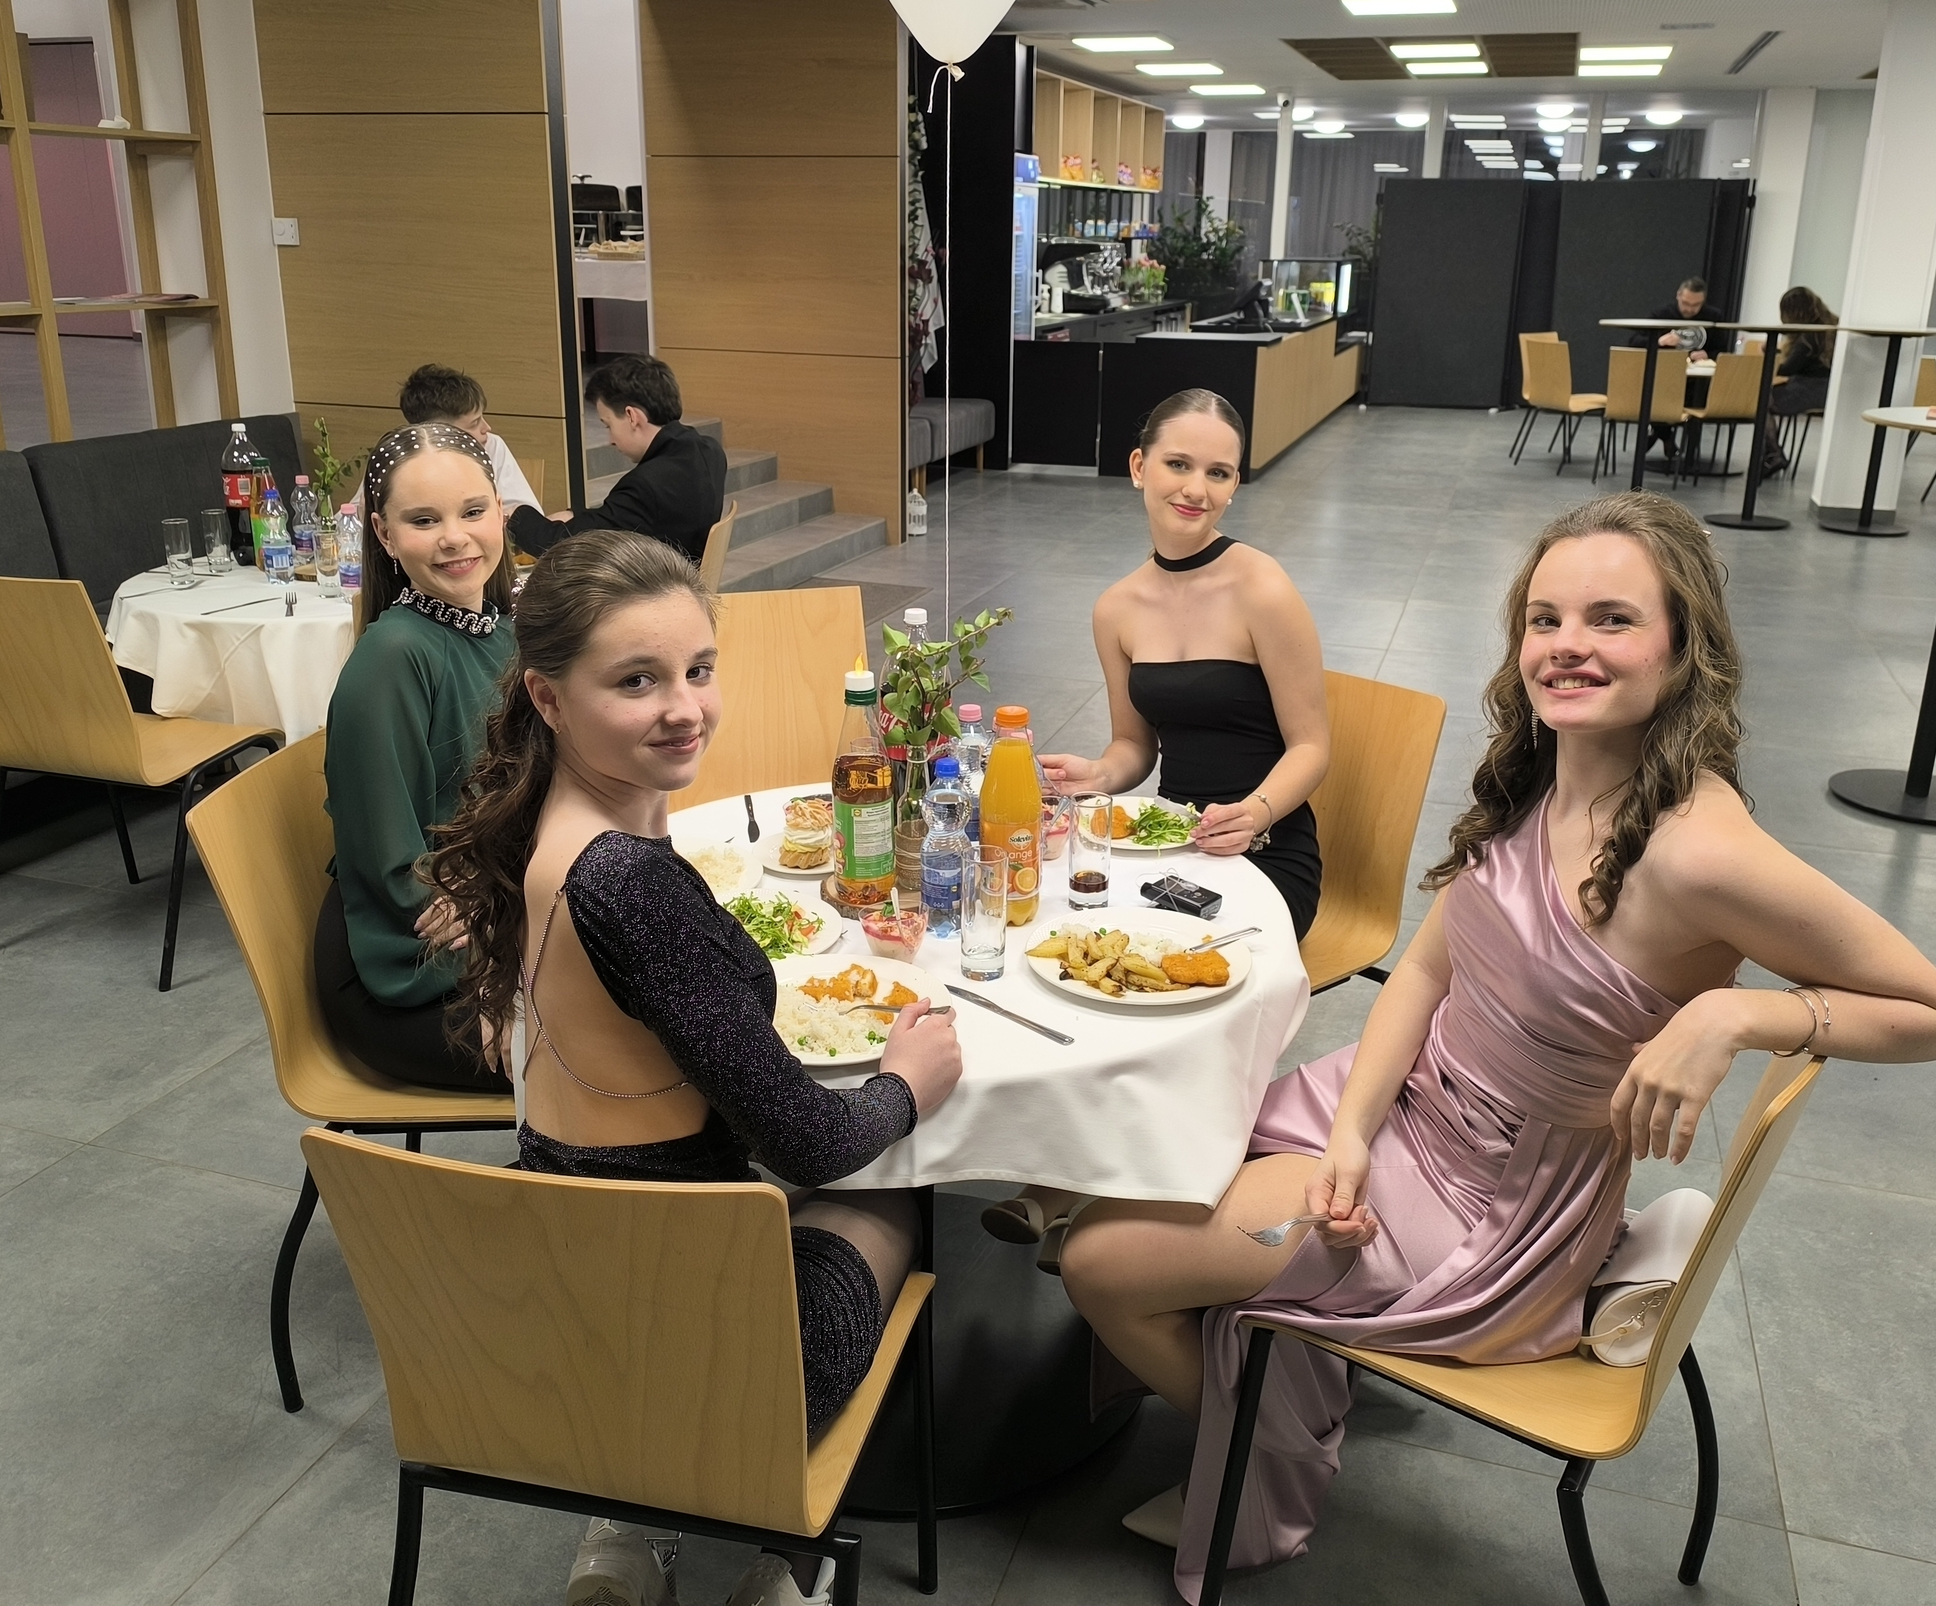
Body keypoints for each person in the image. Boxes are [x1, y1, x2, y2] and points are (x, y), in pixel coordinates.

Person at [1056, 492, 1936, 1604]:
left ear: (1684, 648)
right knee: (1129, 1163)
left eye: (1612, 619)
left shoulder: (1698, 851)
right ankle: (1281, 1375)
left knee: (1099, 1262)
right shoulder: (1549, 769)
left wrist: (1735, 1016)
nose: (1567, 645)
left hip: (1490, 1206)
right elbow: (1427, 974)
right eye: (1546, 619)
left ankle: (1269, 1454)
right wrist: (1352, 1129)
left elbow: (1934, 1013)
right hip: (1406, 1107)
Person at [421, 529, 961, 1606]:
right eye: (638, 681)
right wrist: (908, 1081)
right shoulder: (631, 886)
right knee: (896, 1191)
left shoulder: (542, 829)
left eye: (699, 670)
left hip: (569, 1310)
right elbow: (809, 1140)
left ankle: (627, 1529)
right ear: (548, 697)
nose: (686, 708)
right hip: (704, 1350)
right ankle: (783, 1558)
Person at [981, 390, 1330, 1269]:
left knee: (1162, 980)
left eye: (1218, 472)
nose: (1196, 489)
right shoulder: (1118, 607)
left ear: (1235, 485)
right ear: (1139, 467)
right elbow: (1135, 747)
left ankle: (1086, 1193)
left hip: (1268, 848)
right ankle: (1089, 1178)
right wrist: (1095, 775)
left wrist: (1258, 811)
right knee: (1087, 957)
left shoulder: (1262, 586)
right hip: (1174, 843)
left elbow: (1312, 746)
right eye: (1178, 464)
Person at [317, 422, 518, 1092]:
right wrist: (501, 971)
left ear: (501, 511)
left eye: (473, 511)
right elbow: (392, 866)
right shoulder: (393, 657)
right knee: (643, 1054)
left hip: (491, 914)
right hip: (410, 963)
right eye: (424, 520)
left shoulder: (507, 633)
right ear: (383, 534)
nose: (455, 537)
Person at [508, 354, 728, 564]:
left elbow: (562, 546)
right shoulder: (708, 450)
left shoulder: (647, 484)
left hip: (654, 583)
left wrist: (514, 515)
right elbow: (621, 518)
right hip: (683, 572)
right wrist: (574, 514)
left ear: (632, 417)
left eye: (608, 425)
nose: (610, 440)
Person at [349, 363, 541, 516]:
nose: (486, 428)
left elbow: (526, 516)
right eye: (474, 423)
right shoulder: (395, 456)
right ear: (438, 431)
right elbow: (352, 517)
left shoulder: (491, 446)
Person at [1625, 275, 1730, 465]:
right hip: (1665, 380)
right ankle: (1665, 435)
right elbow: (1634, 341)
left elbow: (1724, 350)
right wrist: (1659, 341)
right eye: (1686, 303)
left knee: (1686, 399)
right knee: (1654, 394)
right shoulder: (1662, 315)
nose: (1690, 309)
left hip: (1700, 382)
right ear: (1678, 295)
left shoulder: (1713, 317)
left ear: (1703, 301)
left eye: (1696, 305)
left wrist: (1708, 354)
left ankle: (1669, 441)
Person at [1759, 285, 1838, 480]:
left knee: (1760, 400)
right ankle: (1772, 455)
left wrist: (1771, 354)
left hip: (1808, 389)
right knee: (1765, 397)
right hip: (1828, 389)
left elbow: (1788, 369)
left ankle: (1773, 454)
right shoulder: (1830, 326)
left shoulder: (1808, 337)